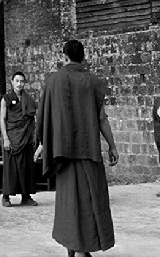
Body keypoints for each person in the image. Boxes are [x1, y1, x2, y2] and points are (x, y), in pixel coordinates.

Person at [36, 39, 118, 256]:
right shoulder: (92, 82)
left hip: (63, 154)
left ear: (64, 57)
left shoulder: (53, 81)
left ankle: (73, 247)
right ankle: (83, 249)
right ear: (84, 57)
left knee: (69, 203)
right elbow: (101, 118)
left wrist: (44, 143)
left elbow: (43, 116)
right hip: (88, 152)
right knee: (90, 201)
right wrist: (112, 146)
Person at [0, 71, 38, 207]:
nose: (19, 84)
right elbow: (2, 119)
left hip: (26, 138)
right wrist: (5, 138)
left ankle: (26, 196)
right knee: (10, 168)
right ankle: (5, 197)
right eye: (17, 81)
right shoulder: (6, 99)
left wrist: (33, 136)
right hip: (11, 137)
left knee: (26, 167)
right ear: (12, 82)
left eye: (22, 81)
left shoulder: (29, 100)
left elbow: (33, 120)